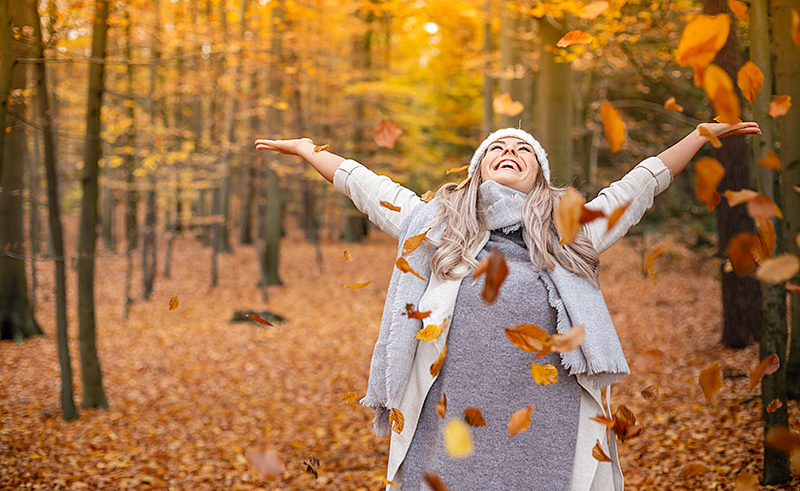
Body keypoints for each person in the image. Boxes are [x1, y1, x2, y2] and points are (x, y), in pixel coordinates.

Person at [254, 121, 760, 490]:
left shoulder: (571, 227)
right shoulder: (435, 224)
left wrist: (696, 137)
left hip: (549, 419)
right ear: (478, 170)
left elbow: (636, 189)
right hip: (451, 421)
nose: (510, 150)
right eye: (498, 147)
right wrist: (308, 151)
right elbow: (370, 189)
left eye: (523, 148)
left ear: (538, 172)